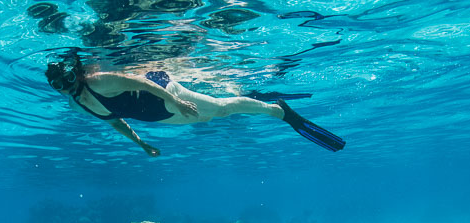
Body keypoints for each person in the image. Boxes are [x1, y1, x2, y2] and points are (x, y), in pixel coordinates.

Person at [45, 52, 346, 157]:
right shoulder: (76, 105)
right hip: (155, 116)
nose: (65, 87)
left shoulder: (99, 81)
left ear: (78, 73)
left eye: (68, 78)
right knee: (206, 119)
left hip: (159, 91)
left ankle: (278, 110)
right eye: (57, 84)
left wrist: (176, 98)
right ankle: (257, 101)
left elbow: (142, 83)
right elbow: (115, 121)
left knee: (221, 108)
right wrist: (142, 145)